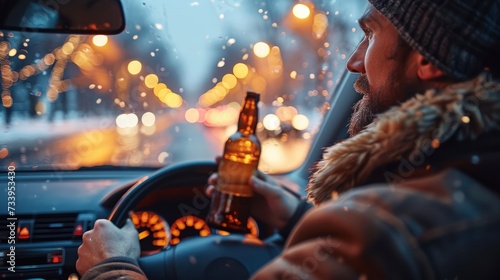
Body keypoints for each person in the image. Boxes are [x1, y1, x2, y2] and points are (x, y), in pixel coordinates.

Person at [76, 0, 500, 279]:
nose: (354, 62)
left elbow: (372, 248)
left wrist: (111, 267)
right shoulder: (462, 189)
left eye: (370, 35)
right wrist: (299, 219)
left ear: (426, 58)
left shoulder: (381, 233)